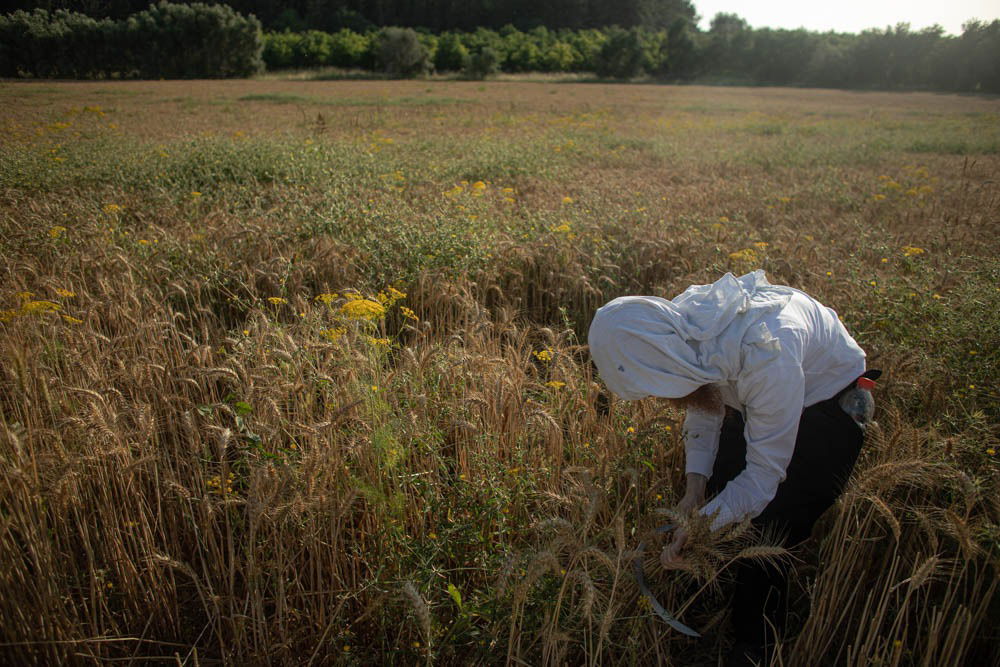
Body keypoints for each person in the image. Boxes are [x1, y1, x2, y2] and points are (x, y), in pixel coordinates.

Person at [588, 270, 871, 666]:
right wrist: (694, 492)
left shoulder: (768, 351)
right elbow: (703, 406)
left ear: (668, 365)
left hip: (826, 403)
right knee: (721, 494)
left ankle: (755, 644)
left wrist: (701, 523)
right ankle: (712, 588)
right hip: (760, 391)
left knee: (771, 524)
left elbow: (763, 477)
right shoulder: (680, 333)